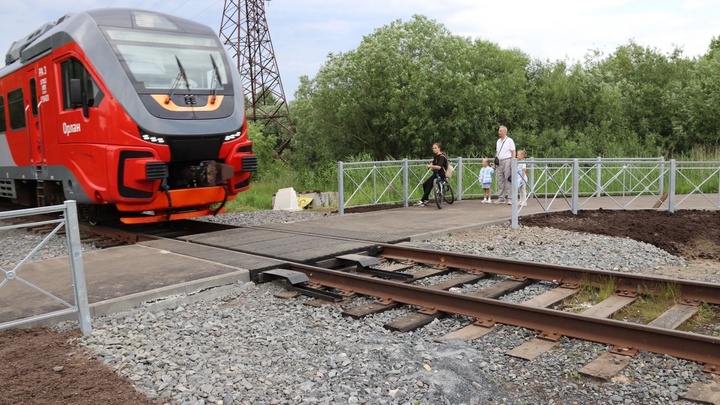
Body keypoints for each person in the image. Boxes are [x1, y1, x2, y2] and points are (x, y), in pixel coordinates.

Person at [494, 125, 516, 204]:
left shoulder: (509, 140)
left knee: (508, 179)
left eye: (500, 131)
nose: (499, 132)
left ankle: (510, 198)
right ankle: (501, 198)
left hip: (507, 160)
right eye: (499, 131)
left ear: (505, 132)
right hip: (500, 161)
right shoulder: (498, 141)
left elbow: (513, 151)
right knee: (500, 180)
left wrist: (512, 162)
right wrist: (495, 162)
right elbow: (497, 152)